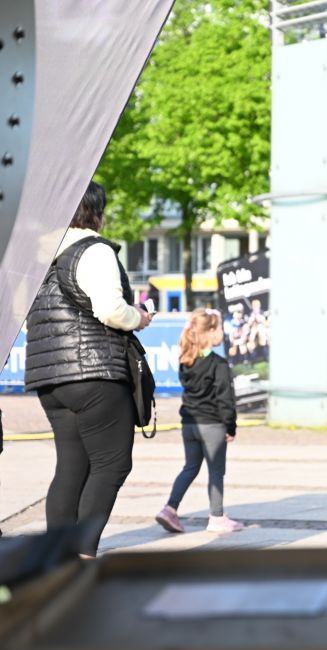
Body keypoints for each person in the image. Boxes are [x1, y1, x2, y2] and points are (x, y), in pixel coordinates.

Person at [23, 181, 153, 557]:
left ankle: (56, 559)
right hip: (95, 374)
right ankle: (81, 555)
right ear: (95, 212)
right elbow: (111, 310)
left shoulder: (41, 260)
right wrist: (139, 317)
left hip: (50, 378)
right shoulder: (93, 250)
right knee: (112, 465)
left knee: (71, 468)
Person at [156, 308, 243, 533]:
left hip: (189, 424)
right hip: (212, 425)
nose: (222, 332)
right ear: (211, 331)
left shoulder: (186, 360)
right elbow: (225, 399)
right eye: (220, 328)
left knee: (190, 467)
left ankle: (169, 508)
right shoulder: (218, 364)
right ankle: (217, 517)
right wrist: (230, 426)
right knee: (216, 471)